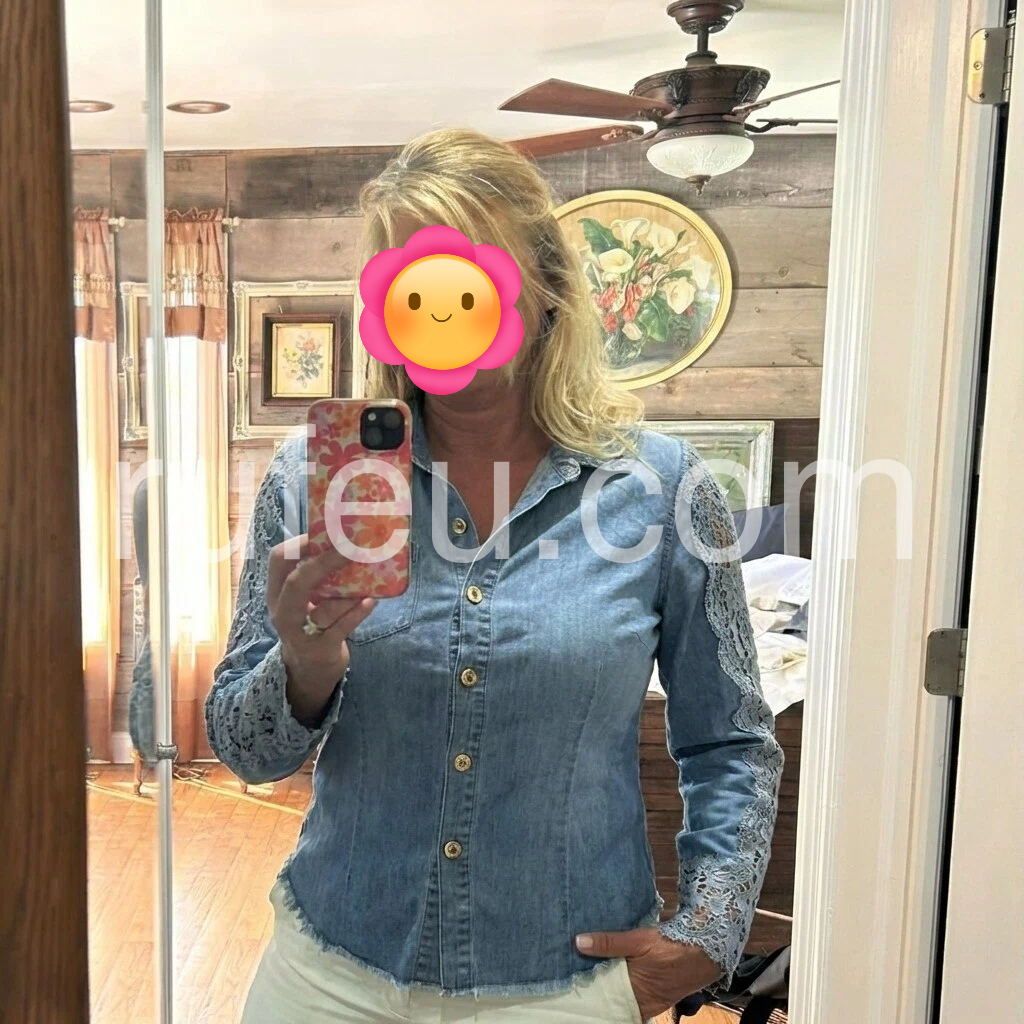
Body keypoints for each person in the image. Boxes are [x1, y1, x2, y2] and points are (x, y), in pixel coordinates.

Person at [206, 127, 783, 1024]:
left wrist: (706, 937)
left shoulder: (663, 491)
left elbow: (731, 740)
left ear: (546, 290)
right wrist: (305, 664)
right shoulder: (317, 480)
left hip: (563, 986)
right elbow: (246, 752)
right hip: (330, 975)